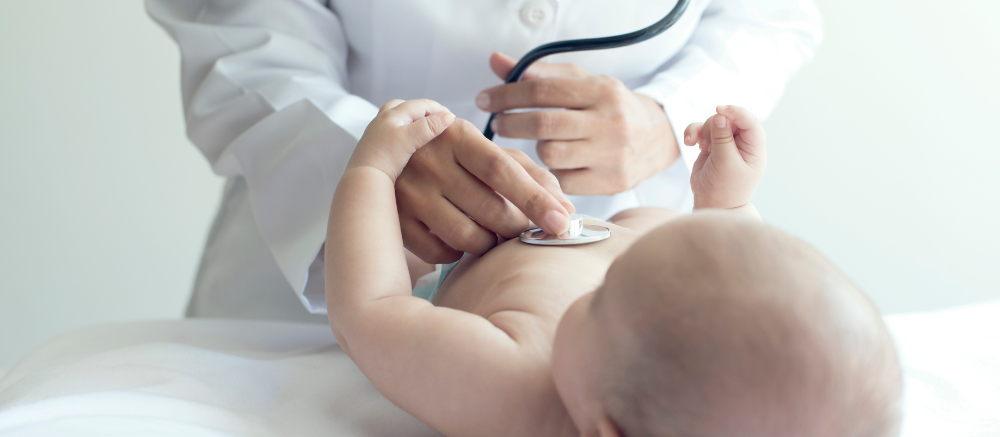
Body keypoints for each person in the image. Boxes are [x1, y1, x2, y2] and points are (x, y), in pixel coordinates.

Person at [147, 0, 823, 322]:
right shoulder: (392, 323)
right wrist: (371, 173)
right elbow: (238, 34)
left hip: (635, 290)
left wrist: (670, 119)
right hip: (308, 266)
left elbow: (774, 17)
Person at [325, 101, 902, 437]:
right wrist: (725, 208)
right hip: (645, 266)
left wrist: (372, 172)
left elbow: (373, 311)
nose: (600, 275)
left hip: (457, 251)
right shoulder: (642, 358)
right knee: (713, 270)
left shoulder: (517, 388)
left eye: (600, 299)